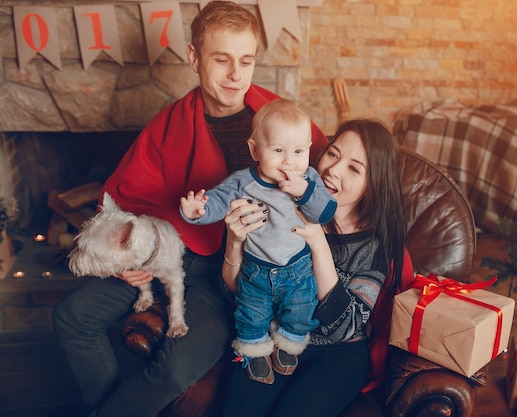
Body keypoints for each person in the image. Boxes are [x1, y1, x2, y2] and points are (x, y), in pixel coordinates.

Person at [52, 2, 328, 417]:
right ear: (195, 58)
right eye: (222, 60)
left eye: (246, 61)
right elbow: (127, 199)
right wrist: (123, 259)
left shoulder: (280, 121)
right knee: (71, 316)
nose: (236, 75)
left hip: (235, 274)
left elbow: (328, 182)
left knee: (174, 369)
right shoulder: (168, 125)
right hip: (167, 250)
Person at [219, 118, 416, 417]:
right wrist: (234, 242)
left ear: (373, 184)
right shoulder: (277, 203)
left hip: (338, 353)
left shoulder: (375, 244)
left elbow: (346, 324)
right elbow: (239, 295)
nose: (333, 170)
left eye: (354, 167)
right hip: (270, 341)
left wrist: (318, 242)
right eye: (333, 154)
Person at [180, 98, 337, 384]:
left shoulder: (309, 179)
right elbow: (216, 201)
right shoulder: (243, 182)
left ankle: (289, 344)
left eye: (298, 151)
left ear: (308, 151)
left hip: (298, 269)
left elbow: (325, 212)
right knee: (251, 314)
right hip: (256, 272)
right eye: (278, 150)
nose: (289, 161)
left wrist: (304, 190)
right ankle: (254, 349)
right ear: (255, 149)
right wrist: (198, 210)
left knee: (300, 310)